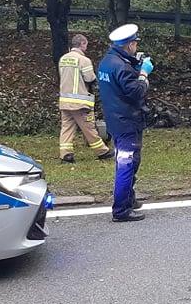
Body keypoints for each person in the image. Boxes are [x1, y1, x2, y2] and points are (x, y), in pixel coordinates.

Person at [97, 24, 153, 223]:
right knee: (127, 163)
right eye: (135, 43)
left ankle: (128, 198)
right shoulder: (121, 66)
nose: (136, 47)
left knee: (129, 161)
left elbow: (119, 87)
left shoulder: (107, 62)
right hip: (127, 121)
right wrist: (144, 73)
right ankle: (121, 210)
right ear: (129, 45)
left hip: (115, 119)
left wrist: (135, 67)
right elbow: (136, 91)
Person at [57, 34, 112, 163]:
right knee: (89, 127)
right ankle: (102, 151)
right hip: (80, 102)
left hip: (65, 100)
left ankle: (66, 154)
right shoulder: (83, 60)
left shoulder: (63, 59)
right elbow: (90, 78)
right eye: (86, 44)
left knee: (67, 128)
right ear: (82, 44)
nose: (86, 47)